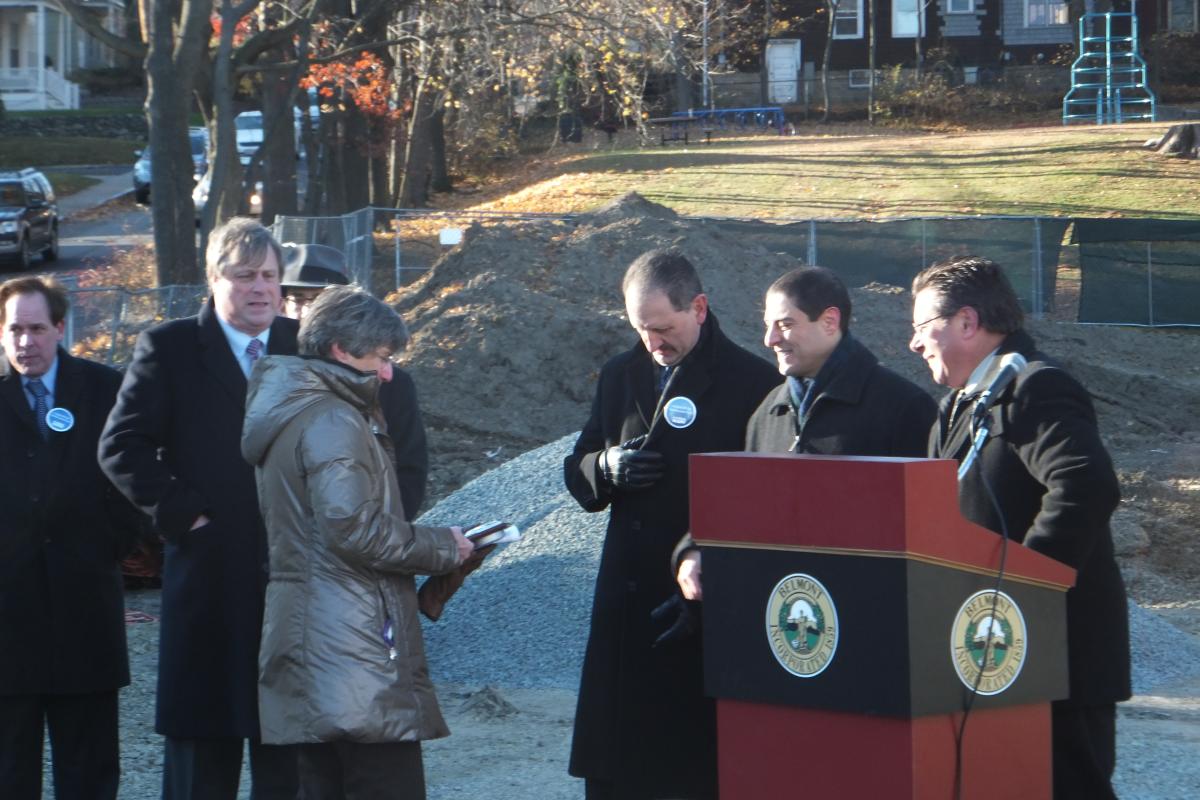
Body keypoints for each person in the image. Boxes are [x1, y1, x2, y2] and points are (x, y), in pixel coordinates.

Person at [908, 255, 1130, 800]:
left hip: (1054, 658)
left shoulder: (1037, 388)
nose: (913, 343)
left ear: (966, 322)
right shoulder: (957, 407)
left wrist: (1021, 593)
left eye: (920, 326)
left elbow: (1085, 486)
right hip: (988, 657)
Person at [564, 249, 781, 799]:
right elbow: (580, 463)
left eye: (663, 328)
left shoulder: (751, 383)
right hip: (627, 593)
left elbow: (763, 499)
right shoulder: (621, 374)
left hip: (700, 599)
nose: (653, 344)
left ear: (700, 308)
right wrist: (605, 467)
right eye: (642, 330)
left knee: (687, 761)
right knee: (619, 757)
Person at [241, 285, 473, 799]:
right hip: (353, 653)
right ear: (341, 351)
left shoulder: (295, 411)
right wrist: (443, 547)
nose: (389, 373)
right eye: (382, 358)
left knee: (324, 783)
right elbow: (352, 529)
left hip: (315, 643)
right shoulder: (334, 419)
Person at [99, 218, 300, 800]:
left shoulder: (301, 346)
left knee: (286, 757)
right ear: (214, 279)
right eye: (244, 276)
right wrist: (187, 514)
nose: (260, 288)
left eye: (269, 276)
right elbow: (121, 446)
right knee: (201, 760)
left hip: (290, 585)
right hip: (210, 580)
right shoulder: (172, 349)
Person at [675, 266, 937, 601]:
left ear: (829, 321)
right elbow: (740, 504)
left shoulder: (905, 409)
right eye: (767, 325)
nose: (769, 339)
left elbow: (926, 534)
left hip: (869, 619)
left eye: (785, 324)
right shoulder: (767, 413)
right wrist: (694, 550)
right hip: (779, 619)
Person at [0, 277, 140, 800]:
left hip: (86, 610)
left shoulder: (106, 389)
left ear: (61, 328)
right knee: (10, 772)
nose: (25, 342)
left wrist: (110, 544)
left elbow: (135, 476)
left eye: (37, 328)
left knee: (89, 771)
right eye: (14, 329)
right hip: (8, 622)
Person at [280, 242, 430, 517]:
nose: (304, 311)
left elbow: (410, 467)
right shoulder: (273, 375)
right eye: (298, 298)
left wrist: (390, 527)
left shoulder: (392, 383)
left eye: (316, 300)